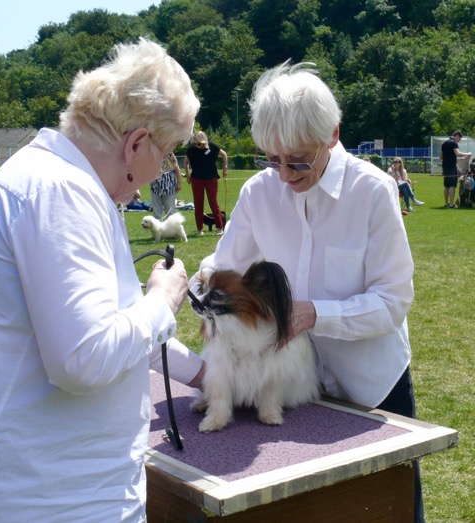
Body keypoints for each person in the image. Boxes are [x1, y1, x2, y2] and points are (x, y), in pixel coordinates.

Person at [191, 61, 425, 522]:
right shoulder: (258, 193)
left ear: (332, 135)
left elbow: (393, 301)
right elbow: (224, 263)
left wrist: (315, 313)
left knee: (388, 509)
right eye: (271, 159)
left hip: (372, 387)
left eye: (297, 160)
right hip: (288, 390)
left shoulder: (373, 192)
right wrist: (203, 283)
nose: (283, 174)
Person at [0, 38, 205, 522]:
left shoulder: (48, 179)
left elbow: (108, 326)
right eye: (166, 153)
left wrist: (205, 375)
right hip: (61, 501)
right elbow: (84, 358)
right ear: (136, 143)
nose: (160, 170)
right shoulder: (63, 194)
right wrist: (161, 302)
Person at [184, 130, 228, 236]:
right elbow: (186, 162)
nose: (199, 146)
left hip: (211, 179)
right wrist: (188, 175)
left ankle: (220, 227)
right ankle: (199, 229)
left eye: (200, 144)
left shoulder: (212, 147)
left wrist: (225, 168)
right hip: (196, 179)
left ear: (204, 141)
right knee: (198, 204)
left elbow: (224, 155)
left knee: (213, 202)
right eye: (196, 144)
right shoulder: (191, 149)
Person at [440, 131, 471, 208]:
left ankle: (446, 203)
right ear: (457, 136)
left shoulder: (444, 143)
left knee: (446, 185)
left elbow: (441, 156)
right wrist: (468, 154)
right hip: (451, 167)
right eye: (459, 139)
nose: (459, 140)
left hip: (445, 166)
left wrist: (456, 158)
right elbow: (457, 153)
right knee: (452, 185)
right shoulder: (454, 143)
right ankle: (451, 204)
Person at [150, 151, 182, 220]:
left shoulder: (169, 154)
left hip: (169, 187)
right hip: (155, 187)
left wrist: (179, 183)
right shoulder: (152, 154)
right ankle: (157, 226)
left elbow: (176, 168)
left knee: (170, 213)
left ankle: (171, 227)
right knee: (156, 214)